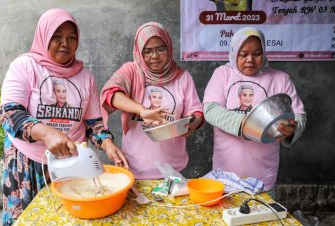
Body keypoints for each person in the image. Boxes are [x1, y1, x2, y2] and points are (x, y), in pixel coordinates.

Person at [0, 9, 128, 225]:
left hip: (71, 163)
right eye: (56, 36)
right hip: (28, 165)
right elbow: (9, 114)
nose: (65, 43)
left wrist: (107, 144)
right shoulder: (25, 66)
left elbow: (94, 124)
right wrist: (46, 133)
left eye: (71, 38)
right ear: (44, 36)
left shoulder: (85, 77)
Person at [203, 27, 306, 199]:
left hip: (263, 176)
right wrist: (245, 123)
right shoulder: (223, 74)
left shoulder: (280, 79)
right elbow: (210, 109)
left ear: (264, 52)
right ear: (234, 52)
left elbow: (299, 115)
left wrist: (293, 130)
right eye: (243, 54)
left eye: (257, 53)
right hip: (225, 175)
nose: (250, 60)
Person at [100, 22, 204, 179]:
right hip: (134, 168)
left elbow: (196, 111)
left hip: (174, 170)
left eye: (160, 49)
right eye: (147, 51)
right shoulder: (131, 71)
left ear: (169, 48)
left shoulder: (182, 77)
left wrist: (193, 123)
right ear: (139, 52)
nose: (154, 56)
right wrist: (142, 110)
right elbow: (110, 93)